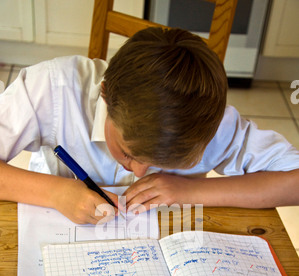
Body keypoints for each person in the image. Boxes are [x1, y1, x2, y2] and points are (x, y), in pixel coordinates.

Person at [0, 27, 298, 225]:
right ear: (105, 94)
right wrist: (56, 192)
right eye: (127, 153)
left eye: (160, 164)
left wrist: (190, 192)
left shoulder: (207, 122)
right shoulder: (53, 88)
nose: (139, 172)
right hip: (53, 229)